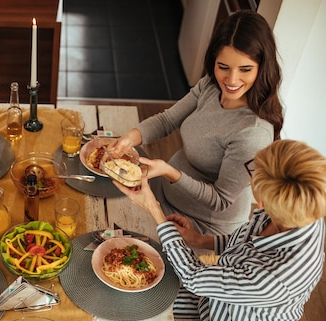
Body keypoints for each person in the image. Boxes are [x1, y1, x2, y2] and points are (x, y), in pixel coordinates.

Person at [113, 139, 326, 321]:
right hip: (210, 303)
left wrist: (154, 208)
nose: (250, 177)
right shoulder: (300, 210)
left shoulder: (278, 278)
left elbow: (193, 277)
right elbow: (245, 244)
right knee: (128, 301)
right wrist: (200, 240)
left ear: (265, 202)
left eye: (253, 176)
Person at [107, 10, 283, 236]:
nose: (231, 80)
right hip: (164, 192)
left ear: (262, 67)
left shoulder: (253, 133)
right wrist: (130, 137)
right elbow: (168, 119)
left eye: (245, 69)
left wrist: (170, 172)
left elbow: (220, 200)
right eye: (224, 67)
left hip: (202, 228)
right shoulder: (211, 85)